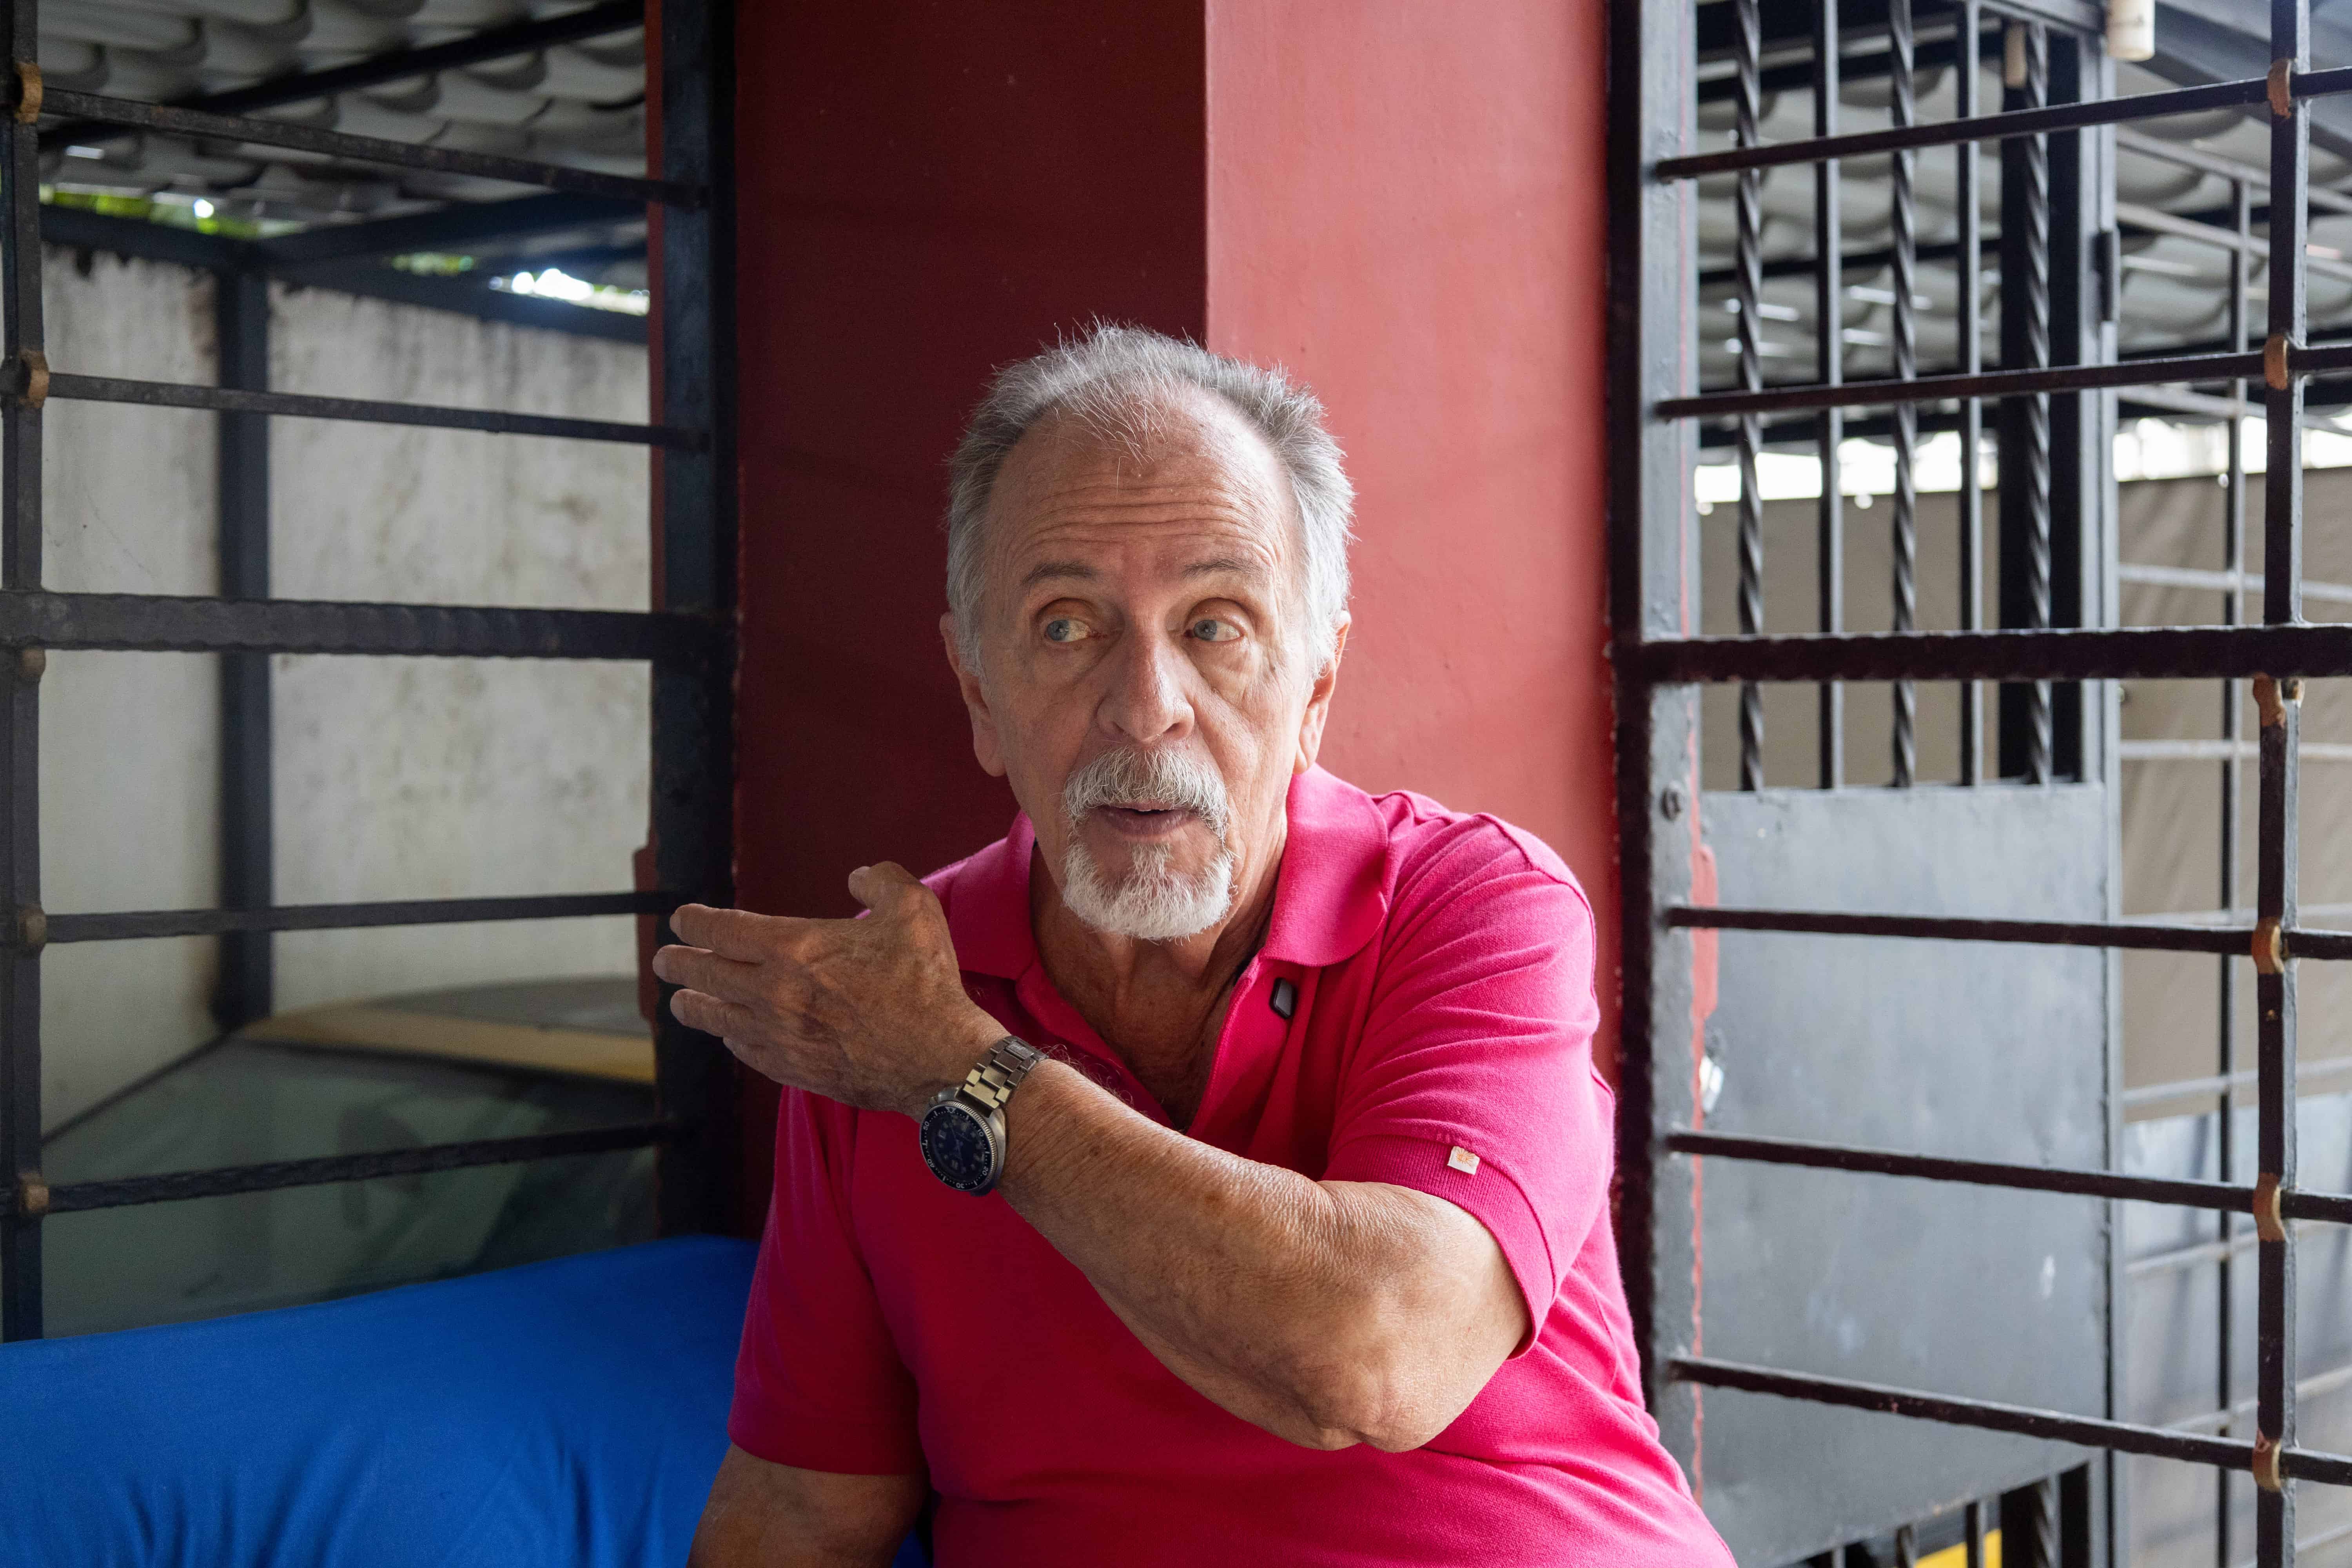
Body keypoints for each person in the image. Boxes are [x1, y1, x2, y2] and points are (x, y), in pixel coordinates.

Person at [662, 326, 1733, 1566]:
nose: (1146, 704)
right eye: (1066, 627)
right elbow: (805, 1506)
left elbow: (1378, 1356)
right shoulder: (885, 1002)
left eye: (1216, 625)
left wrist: (966, 1079)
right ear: (975, 690)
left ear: (1316, 682)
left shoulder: (1473, 901)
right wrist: (923, 1048)